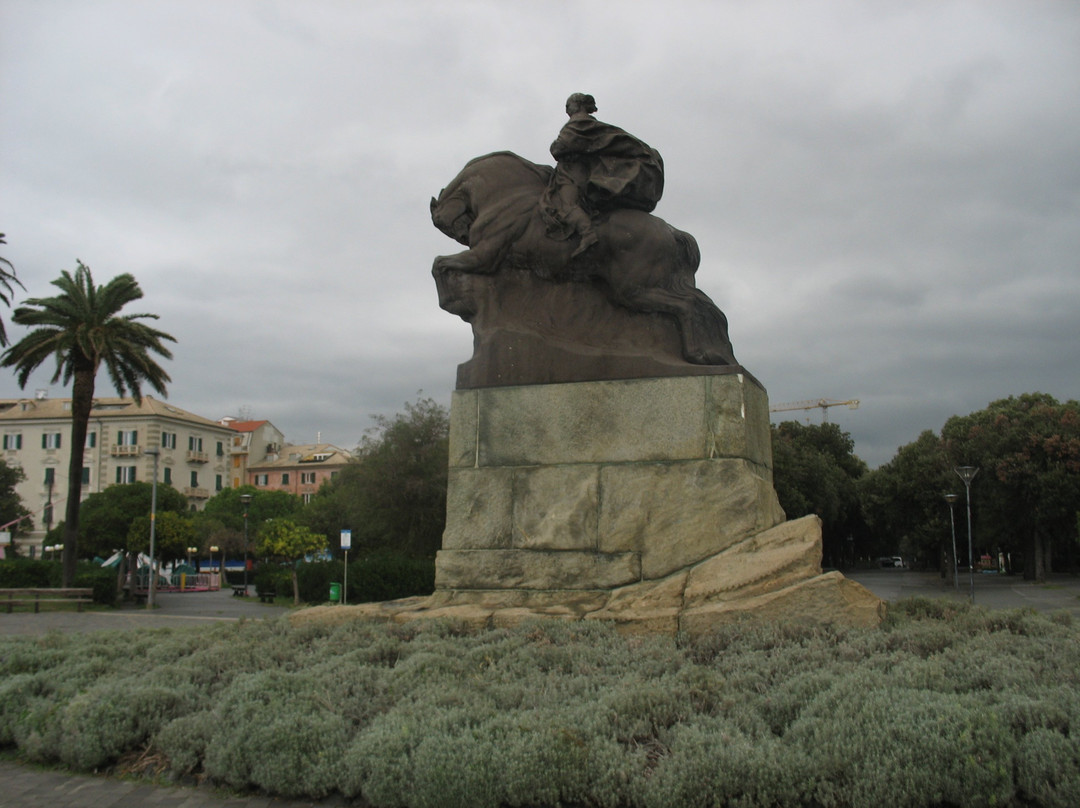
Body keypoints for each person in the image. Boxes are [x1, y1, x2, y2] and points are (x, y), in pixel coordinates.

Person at [541, 93, 665, 258]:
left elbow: (559, 148)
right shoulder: (591, 125)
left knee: (566, 205)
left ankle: (587, 234)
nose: (566, 108)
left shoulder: (578, 123)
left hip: (573, 174)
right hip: (579, 171)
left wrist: (555, 146)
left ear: (578, 105)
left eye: (568, 104)